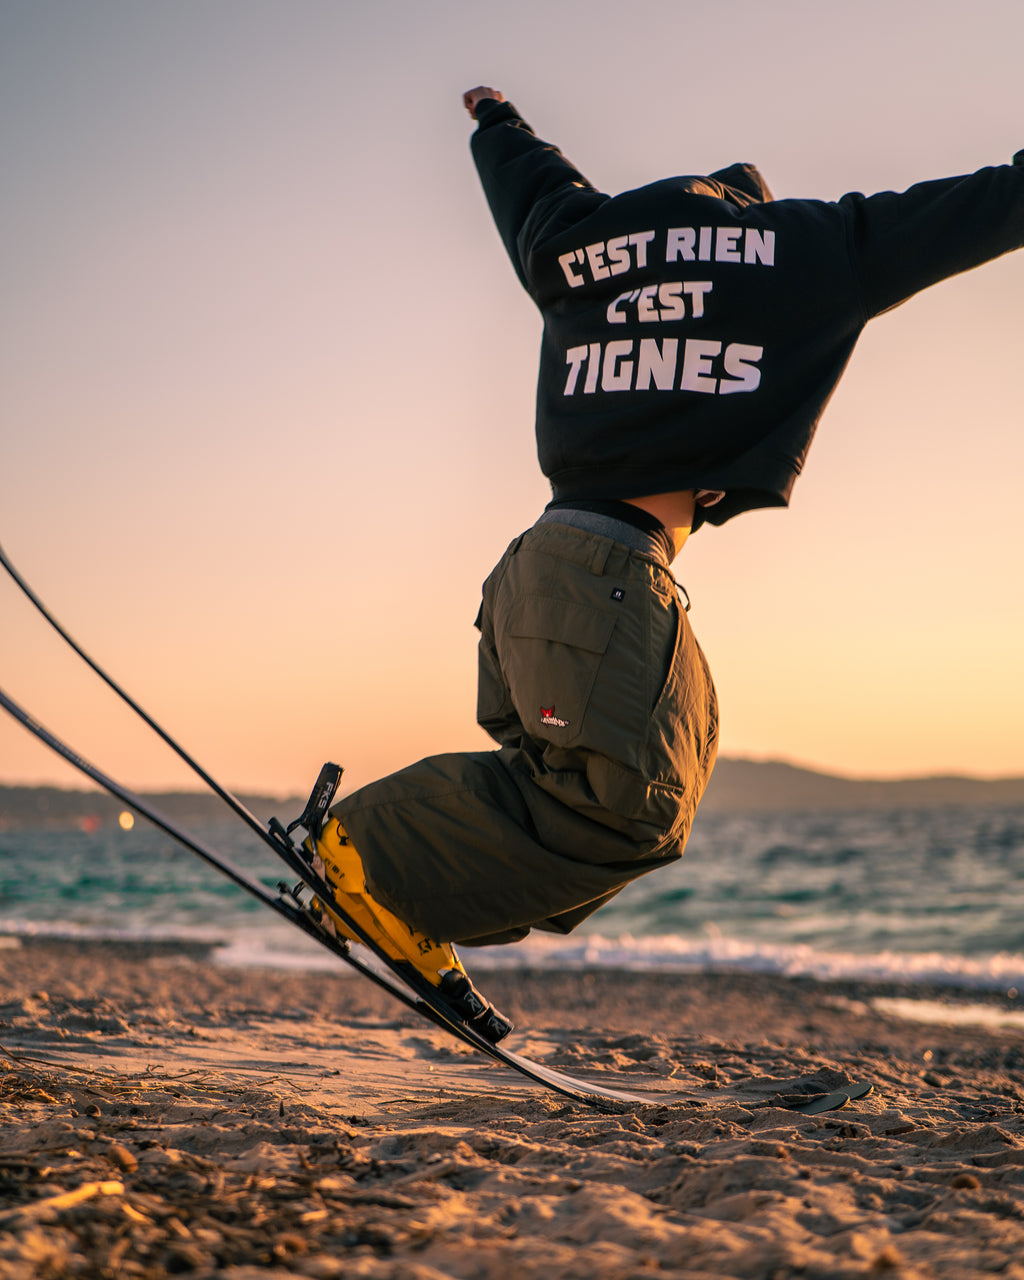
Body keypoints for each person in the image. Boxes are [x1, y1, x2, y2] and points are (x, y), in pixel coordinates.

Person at [308, 88, 1024, 1040]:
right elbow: (957, 214)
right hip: (603, 580)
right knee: (635, 808)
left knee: (600, 765)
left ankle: (401, 897)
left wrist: (498, 123)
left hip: (532, 577)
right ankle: (369, 858)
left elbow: (532, 185)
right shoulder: (795, 254)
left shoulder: (583, 244)